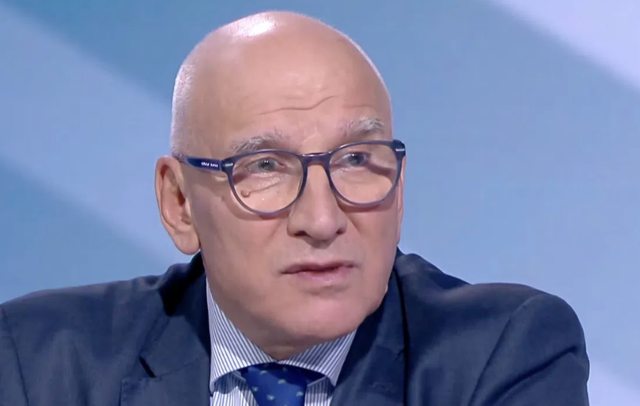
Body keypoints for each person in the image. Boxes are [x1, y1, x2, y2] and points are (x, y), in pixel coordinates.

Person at [0, 11, 590, 406]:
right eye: (264, 167)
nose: (322, 220)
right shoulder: (37, 362)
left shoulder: (503, 355)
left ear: (400, 186)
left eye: (356, 160)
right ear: (179, 203)